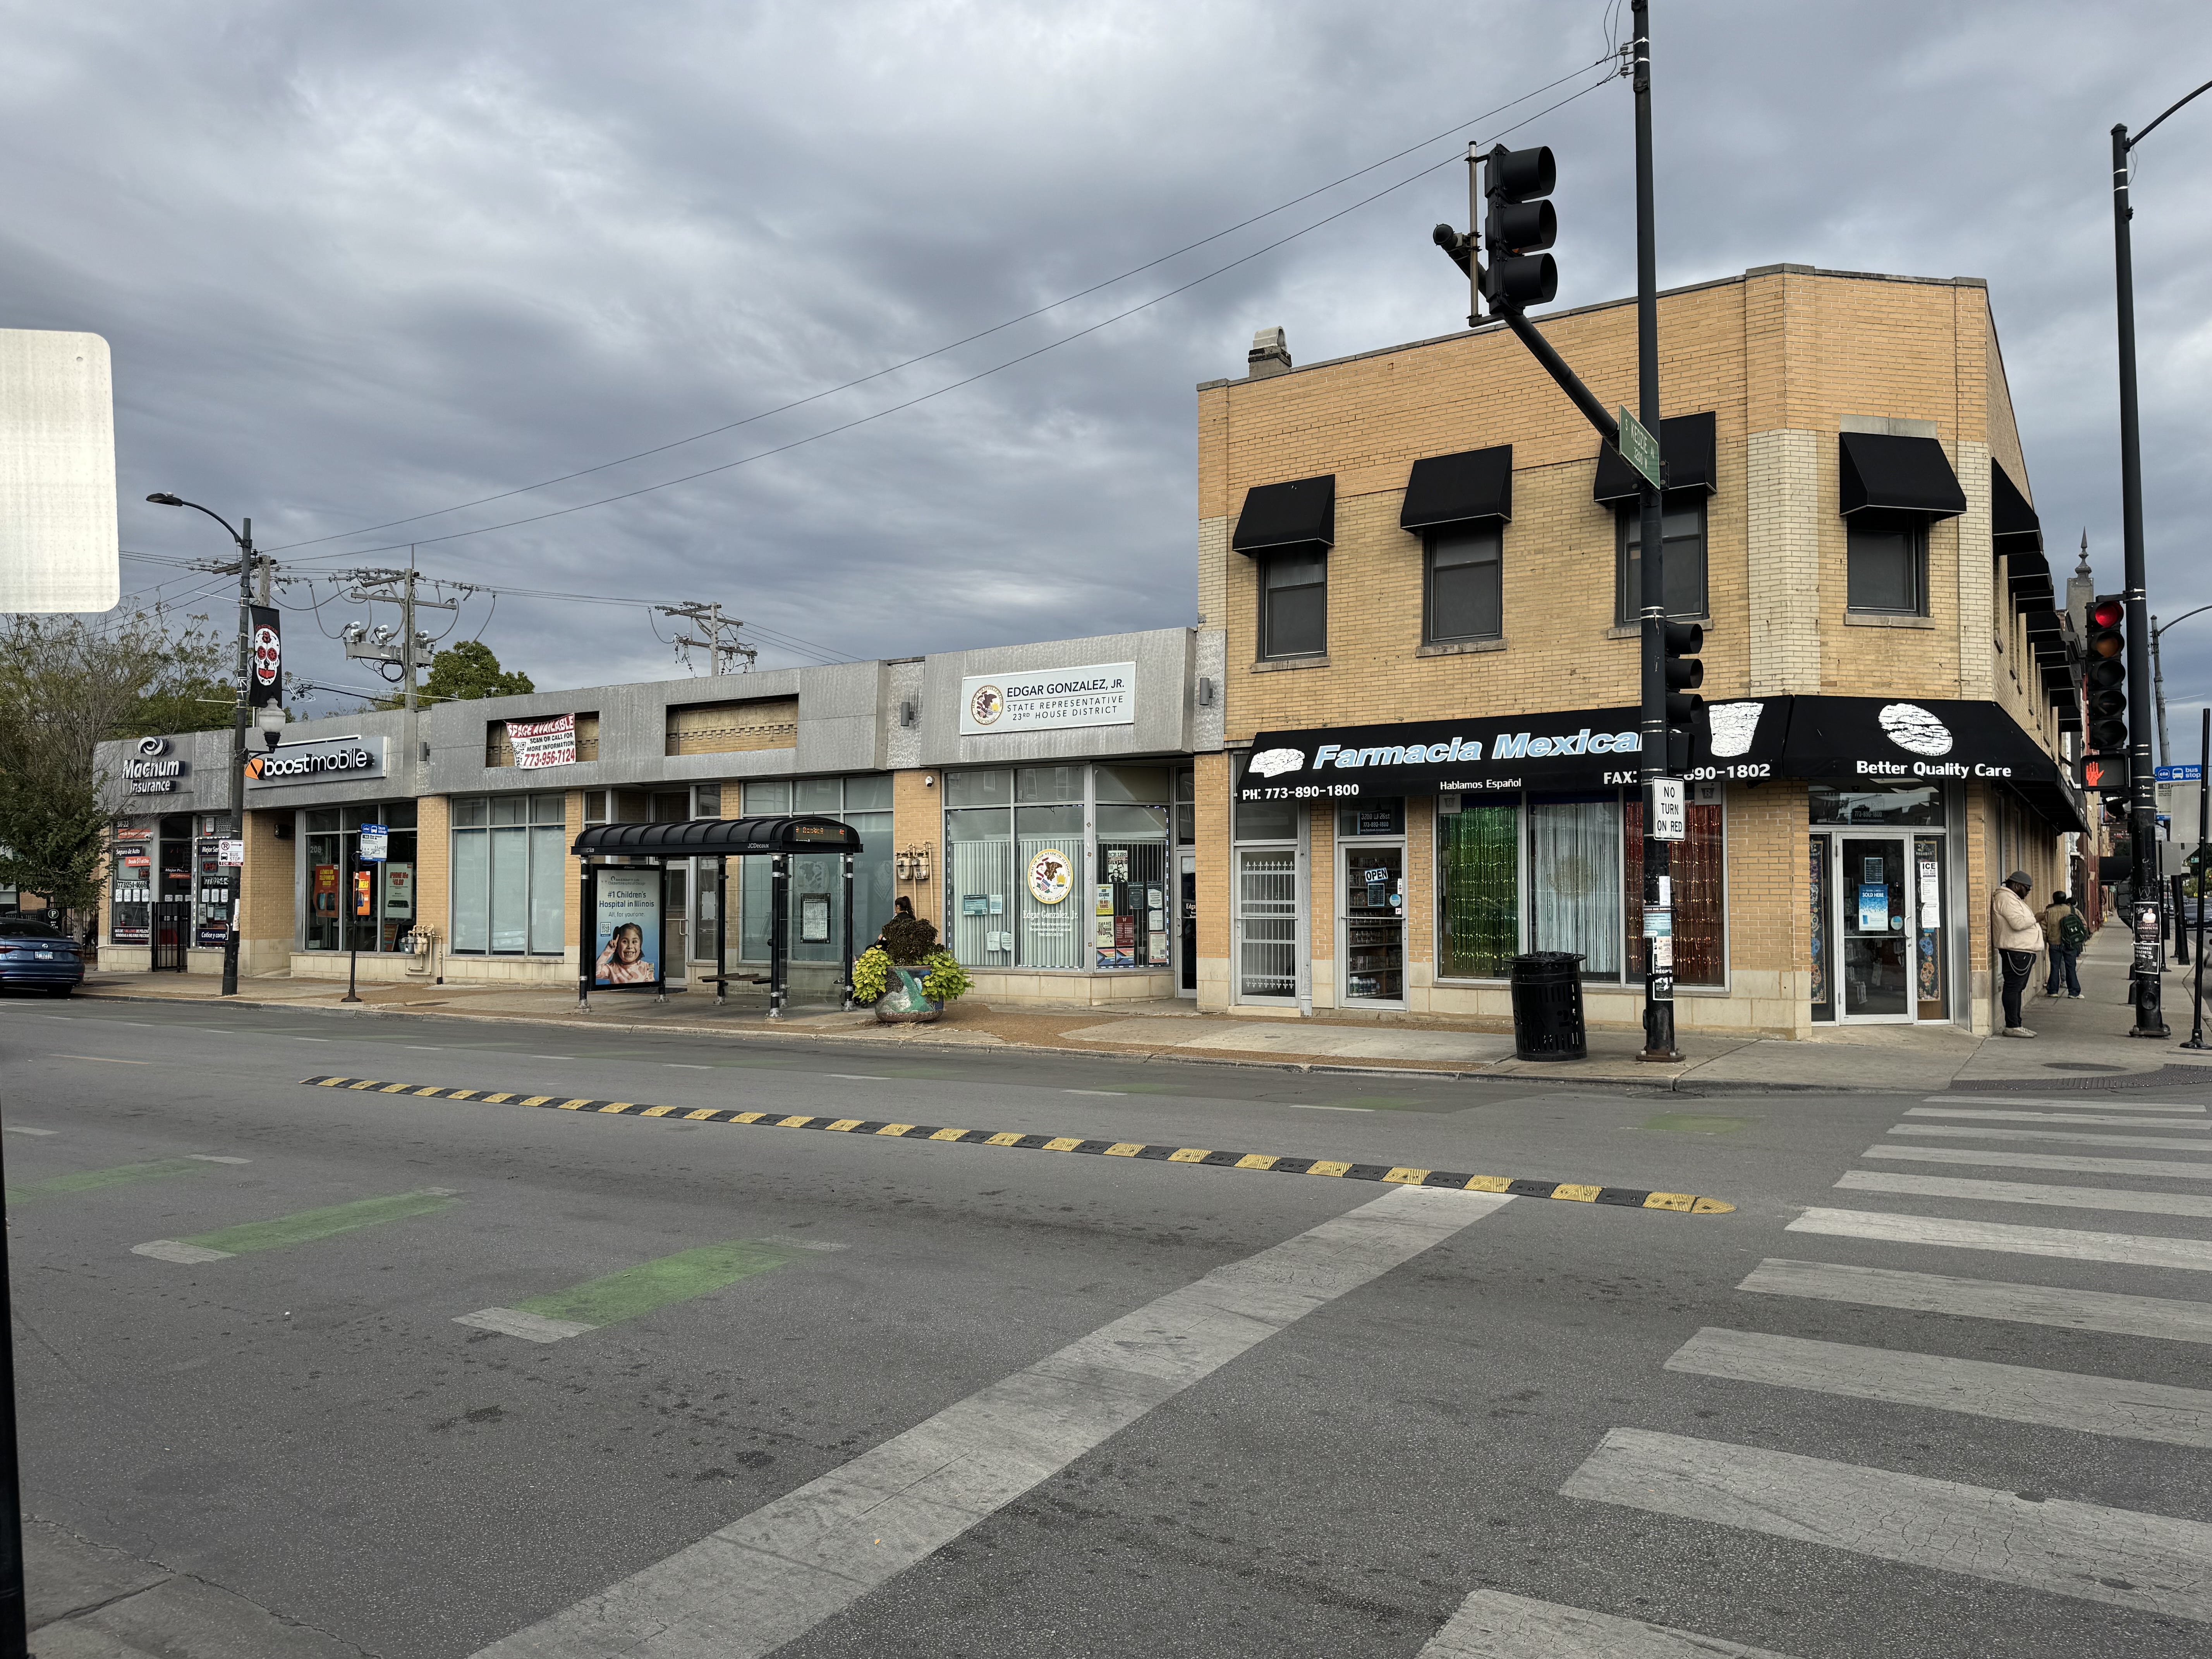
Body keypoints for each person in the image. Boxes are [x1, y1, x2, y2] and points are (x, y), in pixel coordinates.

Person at [1991, 870, 2043, 1037]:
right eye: (2027, 889)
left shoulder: (2012, 899)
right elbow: (2018, 923)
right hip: (2016, 952)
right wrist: (2036, 918)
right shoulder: (2006, 899)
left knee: (2017, 988)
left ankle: (2016, 1024)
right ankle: (2012, 1025)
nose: (2028, 893)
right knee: (2013, 988)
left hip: (2021, 951)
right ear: (2017, 885)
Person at [2042, 890, 2088, 999]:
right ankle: (2074, 992)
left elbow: (2043, 928)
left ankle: (2053, 991)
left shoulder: (2049, 911)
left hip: (2054, 943)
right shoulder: (2072, 910)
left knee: (2055, 967)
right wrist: (2076, 938)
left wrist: (2048, 939)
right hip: (2070, 944)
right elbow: (2084, 925)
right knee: (2071, 967)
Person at [594, 921, 655, 986]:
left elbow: (650, 989)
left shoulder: (648, 967)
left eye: (634, 942)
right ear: (617, 947)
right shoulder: (611, 968)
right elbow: (596, 974)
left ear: (640, 946)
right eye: (625, 942)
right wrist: (609, 950)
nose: (630, 946)